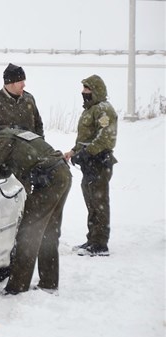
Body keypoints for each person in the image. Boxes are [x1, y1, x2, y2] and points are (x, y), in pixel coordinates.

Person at [0, 128, 72, 294]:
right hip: (61, 174)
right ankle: (49, 283)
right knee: (49, 232)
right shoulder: (9, 136)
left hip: (49, 180)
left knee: (27, 234)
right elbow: (3, 170)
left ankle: (17, 286)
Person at [64, 75, 118, 257]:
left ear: (95, 90)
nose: (83, 92)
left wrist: (87, 154)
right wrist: (74, 152)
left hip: (100, 162)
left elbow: (105, 137)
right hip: (89, 165)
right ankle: (92, 239)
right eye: (83, 89)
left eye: (87, 89)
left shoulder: (104, 110)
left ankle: (100, 244)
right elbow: (85, 139)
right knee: (91, 202)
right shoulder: (90, 110)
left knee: (99, 203)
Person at [0, 63, 44, 137]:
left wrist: (40, 142)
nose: (24, 85)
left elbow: (38, 124)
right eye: (20, 82)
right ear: (10, 83)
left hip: (31, 147)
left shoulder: (29, 99)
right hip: (6, 147)